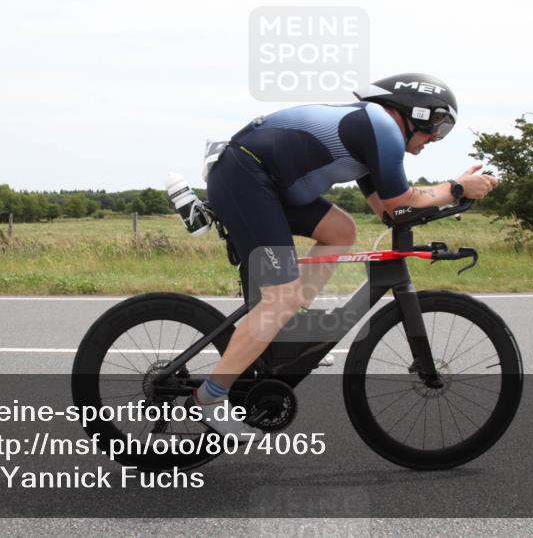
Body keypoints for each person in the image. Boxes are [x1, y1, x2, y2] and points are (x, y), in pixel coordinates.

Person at [186, 73, 498, 438]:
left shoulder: (374, 138)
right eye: (437, 128)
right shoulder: (380, 124)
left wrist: (458, 194)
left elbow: (390, 211)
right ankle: (208, 398)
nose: (434, 139)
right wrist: (457, 186)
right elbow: (401, 201)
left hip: (264, 183)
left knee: (341, 231)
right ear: (416, 112)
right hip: (246, 178)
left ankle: (291, 327)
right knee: (280, 298)